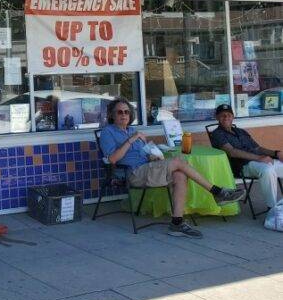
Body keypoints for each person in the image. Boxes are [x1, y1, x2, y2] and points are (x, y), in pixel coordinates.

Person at [99, 97, 242, 238]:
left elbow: (143, 153)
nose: (124, 115)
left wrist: (152, 155)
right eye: (119, 112)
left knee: (180, 175)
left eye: (126, 112)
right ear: (112, 115)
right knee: (178, 161)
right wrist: (131, 140)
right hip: (133, 173)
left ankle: (177, 223)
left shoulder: (132, 130)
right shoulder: (108, 132)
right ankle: (217, 192)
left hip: (148, 168)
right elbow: (112, 159)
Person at [211, 103, 283, 210]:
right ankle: (272, 209)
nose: (226, 117)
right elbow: (232, 152)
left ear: (233, 117)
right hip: (243, 166)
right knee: (267, 170)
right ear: (217, 117)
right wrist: (259, 158)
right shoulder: (217, 134)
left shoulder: (241, 131)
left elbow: (258, 148)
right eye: (222, 115)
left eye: (228, 114)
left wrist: (276, 153)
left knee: (273, 166)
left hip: (259, 161)